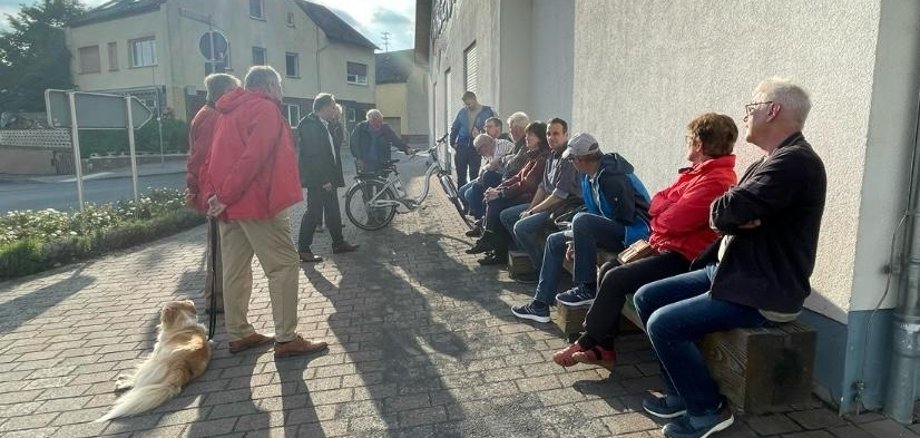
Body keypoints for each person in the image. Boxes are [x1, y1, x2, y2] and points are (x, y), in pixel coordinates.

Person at [633, 78, 826, 438]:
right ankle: (679, 391)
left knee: (663, 324)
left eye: (752, 107)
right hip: (732, 271)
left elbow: (724, 211)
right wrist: (736, 213)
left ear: (773, 110)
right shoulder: (771, 161)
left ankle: (707, 410)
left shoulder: (795, 164)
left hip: (763, 289)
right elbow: (727, 213)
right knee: (647, 296)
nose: (747, 115)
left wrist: (734, 211)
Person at [551, 113, 738, 370]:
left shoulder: (715, 179)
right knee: (608, 268)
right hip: (664, 245)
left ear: (699, 144)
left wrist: (663, 218)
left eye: (689, 138)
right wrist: (664, 215)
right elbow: (659, 202)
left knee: (616, 278)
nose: (687, 143)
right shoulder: (695, 174)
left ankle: (588, 341)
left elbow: (671, 220)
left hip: (685, 258)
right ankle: (604, 347)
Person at [203, 65, 328, 358]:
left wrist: (217, 196)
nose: (282, 93)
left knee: (234, 270)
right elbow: (254, 157)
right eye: (280, 87)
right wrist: (225, 194)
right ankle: (286, 339)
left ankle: (239, 333)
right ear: (270, 85)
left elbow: (215, 157)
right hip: (258, 202)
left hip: (229, 206)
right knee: (283, 264)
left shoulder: (226, 111)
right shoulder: (265, 109)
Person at [510, 133, 652, 322]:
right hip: (611, 229)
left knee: (581, 220)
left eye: (571, 159)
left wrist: (581, 235)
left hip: (633, 234)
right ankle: (540, 305)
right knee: (555, 240)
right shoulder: (589, 176)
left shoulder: (612, 177)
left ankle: (587, 288)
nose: (571, 163)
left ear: (581, 159)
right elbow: (595, 214)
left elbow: (624, 218)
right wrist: (576, 237)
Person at [495, 117, 581, 284]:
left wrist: (533, 211)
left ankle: (542, 270)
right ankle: (530, 258)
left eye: (556, 133)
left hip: (563, 209)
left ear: (566, 134)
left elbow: (559, 195)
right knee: (507, 215)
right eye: (549, 133)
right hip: (548, 205)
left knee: (521, 227)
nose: (551, 137)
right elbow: (543, 186)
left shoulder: (567, 158)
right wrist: (530, 209)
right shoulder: (551, 155)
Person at [186, 73, 240, 314]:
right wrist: (202, 193)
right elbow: (203, 160)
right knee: (220, 249)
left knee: (221, 248)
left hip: (212, 193)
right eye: (235, 90)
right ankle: (217, 300)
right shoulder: (212, 118)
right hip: (215, 195)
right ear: (225, 92)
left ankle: (219, 298)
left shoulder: (207, 114)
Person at [467, 122, 551, 265]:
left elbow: (527, 184)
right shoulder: (533, 155)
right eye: (527, 134)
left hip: (530, 198)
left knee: (500, 208)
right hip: (522, 194)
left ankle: (496, 246)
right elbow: (517, 176)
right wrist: (498, 189)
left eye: (531, 135)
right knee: (493, 200)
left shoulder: (541, 158)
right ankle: (494, 246)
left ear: (540, 138)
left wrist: (500, 194)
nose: (527, 138)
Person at [296, 93, 360, 263]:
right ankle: (303, 249)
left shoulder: (325, 124)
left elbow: (331, 150)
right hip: (318, 179)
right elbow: (313, 155)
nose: (334, 109)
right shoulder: (310, 125)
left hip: (328, 177)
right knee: (313, 212)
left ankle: (338, 243)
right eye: (332, 106)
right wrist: (324, 180)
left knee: (332, 211)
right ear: (323, 107)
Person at [460, 133, 514, 233]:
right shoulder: (489, 151)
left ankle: (484, 221)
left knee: (482, 182)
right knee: (472, 188)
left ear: (485, 144)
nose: (479, 153)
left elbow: (493, 166)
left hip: (507, 180)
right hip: (497, 179)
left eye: (479, 149)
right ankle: (481, 220)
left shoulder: (501, 145)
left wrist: (483, 172)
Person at [449, 91, 496, 187]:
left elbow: (492, 130)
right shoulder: (462, 112)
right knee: (461, 176)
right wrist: (452, 142)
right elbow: (455, 127)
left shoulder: (487, 112)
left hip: (476, 148)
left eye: (469, 103)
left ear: (474, 99)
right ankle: (461, 200)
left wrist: (481, 135)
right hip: (461, 146)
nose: (468, 106)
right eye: (466, 104)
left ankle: (471, 198)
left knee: (474, 175)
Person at [350, 109, 415, 172]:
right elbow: (354, 144)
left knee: (382, 181)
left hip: (382, 161)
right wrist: (359, 158)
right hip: (366, 161)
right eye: (376, 121)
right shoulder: (361, 128)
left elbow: (395, 140)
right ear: (369, 120)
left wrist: (406, 149)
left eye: (380, 121)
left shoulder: (385, 128)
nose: (379, 124)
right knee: (368, 181)